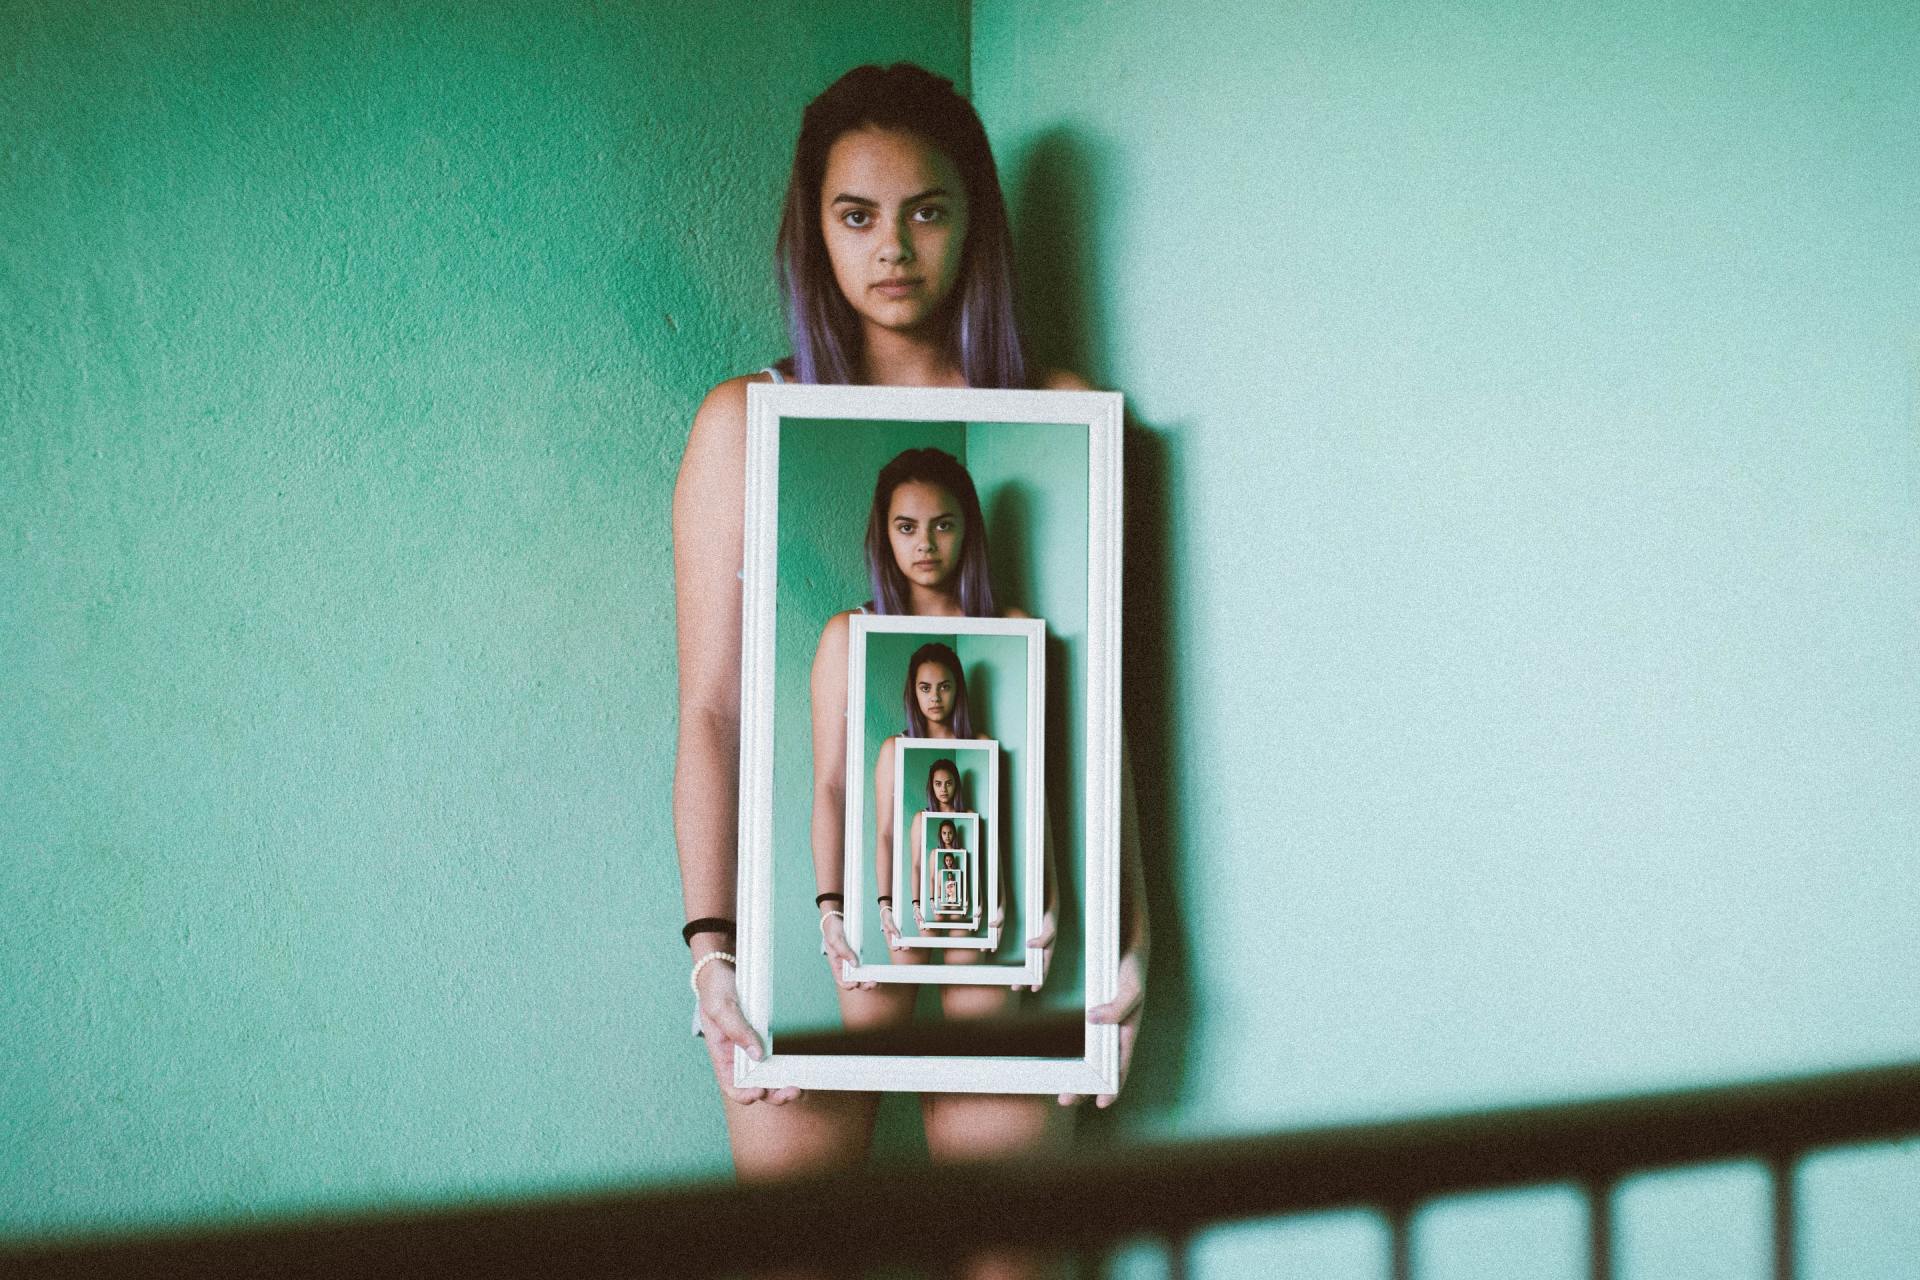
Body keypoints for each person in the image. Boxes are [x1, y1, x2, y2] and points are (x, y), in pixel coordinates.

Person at [672, 62, 1149, 1209]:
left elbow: (1096, 716)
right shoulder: (743, 421)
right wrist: (710, 949)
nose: (893, 247)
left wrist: (1133, 947)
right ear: (816, 232)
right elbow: (714, 709)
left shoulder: (1062, 413)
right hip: (793, 934)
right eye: (858, 216)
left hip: (1014, 939)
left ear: (973, 221)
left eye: (927, 211)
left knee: (1011, 1253)